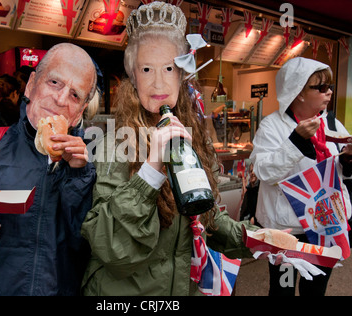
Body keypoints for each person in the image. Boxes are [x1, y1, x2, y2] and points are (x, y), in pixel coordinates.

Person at [81, 2, 260, 296]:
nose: (159, 81)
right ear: (133, 77)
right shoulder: (117, 143)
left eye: (169, 68)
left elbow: (211, 221)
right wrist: (151, 169)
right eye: (147, 69)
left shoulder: (195, 139)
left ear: (182, 75)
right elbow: (111, 249)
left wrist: (259, 239)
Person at [0, 43, 100, 295]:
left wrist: (79, 175)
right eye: (55, 83)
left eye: (75, 95)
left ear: (79, 113)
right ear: (31, 84)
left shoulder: (88, 164)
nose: (60, 99)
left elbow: (88, 244)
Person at [250, 57, 352, 296]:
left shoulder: (331, 123)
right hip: (287, 231)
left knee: (315, 289)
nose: (329, 92)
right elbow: (264, 172)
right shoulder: (272, 126)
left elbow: (343, 174)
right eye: (321, 87)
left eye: (330, 86)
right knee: (283, 289)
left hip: (325, 225)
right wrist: (296, 141)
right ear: (298, 91)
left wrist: (350, 158)